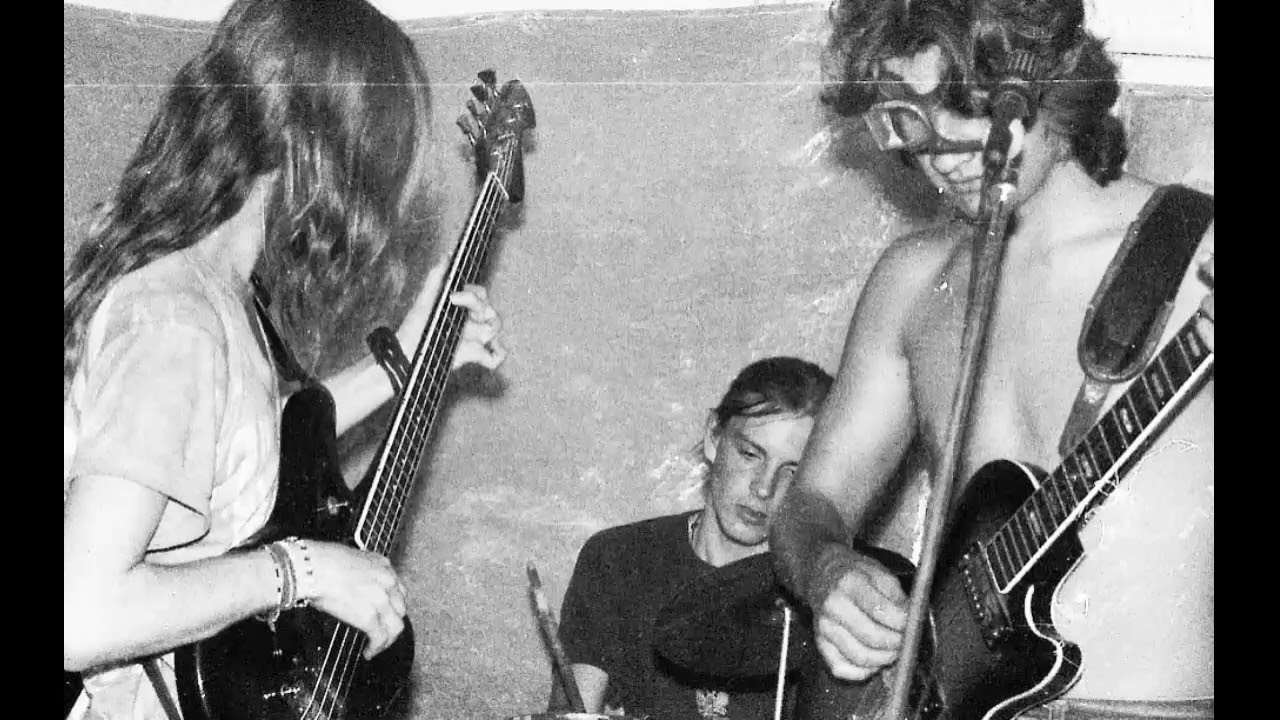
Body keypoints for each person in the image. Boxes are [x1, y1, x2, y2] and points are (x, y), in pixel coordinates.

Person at [62, 1, 507, 717]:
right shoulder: (176, 318)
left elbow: (252, 456)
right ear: (322, 147)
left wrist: (412, 359)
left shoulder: (222, 298)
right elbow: (80, 615)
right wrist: (302, 570)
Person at [770, 0, 1213, 718]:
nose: (942, 153)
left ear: (1056, 85)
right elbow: (812, 503)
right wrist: (828, 571)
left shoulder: (1201, 256)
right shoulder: (912, 282)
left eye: (964, 106)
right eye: (910, 120)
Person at [549, 357, 834, 719]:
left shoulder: (824, 592)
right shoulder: (618, 560)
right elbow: (573, 709)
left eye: (792, 472)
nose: (764, 488)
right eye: (750, 454)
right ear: (714, 435)